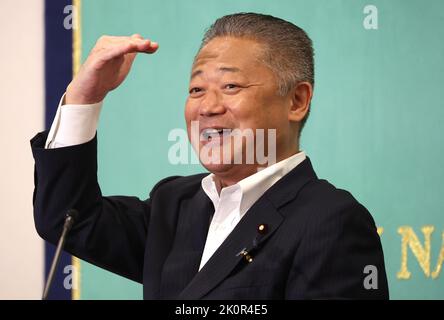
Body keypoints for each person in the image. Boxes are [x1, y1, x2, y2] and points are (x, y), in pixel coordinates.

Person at [31, 12, 389, 299]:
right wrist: (84, 96)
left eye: (231, 86)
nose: (208, 107)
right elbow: (68, 218)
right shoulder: (174, 204)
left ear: (296, 100)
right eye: (196, 89)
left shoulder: (332, 221)